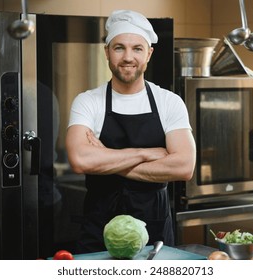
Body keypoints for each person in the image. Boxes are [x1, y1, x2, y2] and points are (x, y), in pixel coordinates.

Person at [66, 9, 196, 253]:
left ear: (149, 53)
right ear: (107, 52)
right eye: (119, 48)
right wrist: (146, 153)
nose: (128, 57)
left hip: (154, 234)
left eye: (137, 48)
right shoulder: (88, 102)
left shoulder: (169, 102)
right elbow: (81, 159)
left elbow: (184, 166)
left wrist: (106, 157)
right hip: (99, 231)